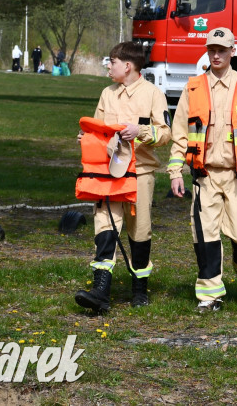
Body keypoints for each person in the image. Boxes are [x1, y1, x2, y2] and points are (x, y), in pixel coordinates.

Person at [168, 27, 237, 312]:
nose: (216, 55)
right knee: (205, 235)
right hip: (205, 176)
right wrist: (176, 171)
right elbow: (180, 133)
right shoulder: (193, 88)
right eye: (211, 50)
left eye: (221, 50)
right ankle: (209, 294)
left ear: (232, 52)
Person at [75, 41, 172, 312]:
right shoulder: (107, 94)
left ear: (127, 66)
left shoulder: (153, 94)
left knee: (139, 230)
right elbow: (97, 129)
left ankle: (139, 289)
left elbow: (166, 133)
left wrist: (140, 131)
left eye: (113, 62)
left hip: (140, 173)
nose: (108, 66)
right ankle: (101, 291)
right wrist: (86, 137)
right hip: (108, 173)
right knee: (105, 225)